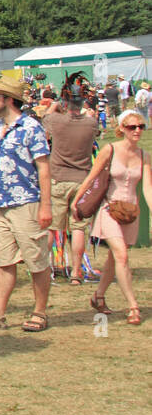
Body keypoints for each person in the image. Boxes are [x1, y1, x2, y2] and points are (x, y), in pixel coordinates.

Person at [0, 79, 53, 332]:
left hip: (28, 202)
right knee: (4, 261)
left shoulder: (31, 127)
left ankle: (40, 312)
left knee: (36, 260)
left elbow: (43, 168)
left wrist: (46, 206)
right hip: (3, 204)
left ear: (8, 99)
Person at [76, 109, 149, 326]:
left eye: (140, 127)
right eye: (132, 127)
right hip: (109, 209)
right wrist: (76, 200)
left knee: (114, 259)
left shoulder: (145, 156)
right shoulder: (110, 150)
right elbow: (92, 176)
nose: (137, 131)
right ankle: (133, 307)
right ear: (122, 129)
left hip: (130, 212)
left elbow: (147, 188)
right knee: (122, 256)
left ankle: (98, 296)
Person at [43, 91, 102, 285]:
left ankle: (46, 271)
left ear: (66, 103)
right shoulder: (90, 123)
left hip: (58, 179)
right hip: (82, 180)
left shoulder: (57, 121)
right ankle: (76, 272)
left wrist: (56, 106)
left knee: (52, 229)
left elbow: (46, 115)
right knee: (78, 228)